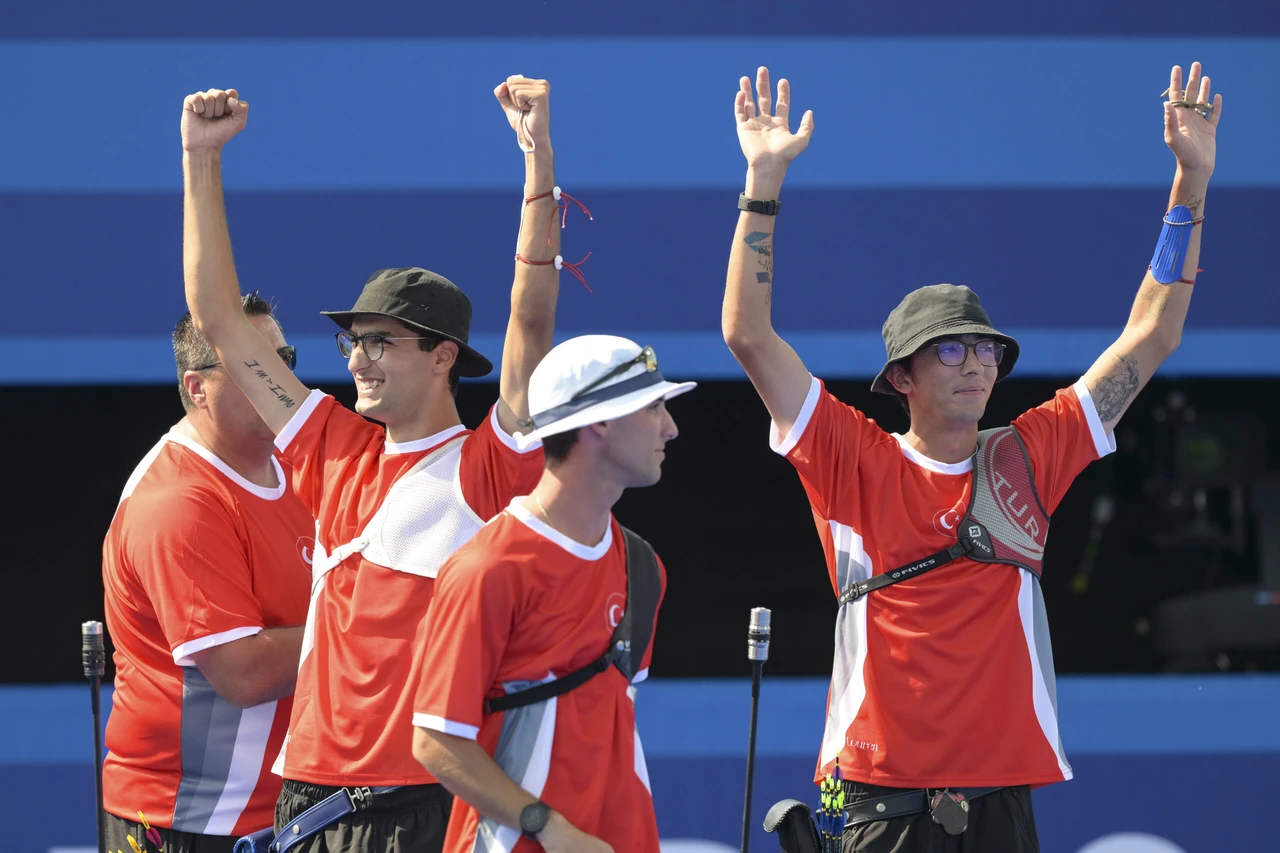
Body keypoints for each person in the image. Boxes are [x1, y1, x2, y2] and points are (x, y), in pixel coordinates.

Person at [721, 63, 1222, 852]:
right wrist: (762, 182)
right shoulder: (852, 457)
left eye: (987, 350)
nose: (976, 364)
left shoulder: (1032, 453)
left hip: (1002, 799)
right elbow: (748, 337)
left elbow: (1152, 336)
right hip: (881, 802)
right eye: (949, 349)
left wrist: (1189, 185)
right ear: (902, 379)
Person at [181, 76, 569, 851]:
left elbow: (530, 318)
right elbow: (218, 318)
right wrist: (200, 159)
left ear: (443, 357)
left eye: (381, 342)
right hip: (306, 803)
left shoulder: (490, 464)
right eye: (353, 342)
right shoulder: (331, 444)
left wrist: (538, 163)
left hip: (424, 803)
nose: (358, 360)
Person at [411, 335, 694, 853]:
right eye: (653, 407)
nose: (670, 428)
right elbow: (436, 740)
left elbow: (610, 729)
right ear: (600, 422)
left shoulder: (643, 566)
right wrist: (547, 826)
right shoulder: (488, 567)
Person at [101, 295, 313, 853]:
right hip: (188, 827)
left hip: (289, 813)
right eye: (253, 365)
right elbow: (242, 675)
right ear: (197, 389)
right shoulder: (179, 502)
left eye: (284, 358)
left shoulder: (301, 462)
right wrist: (376, 623)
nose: (281, 379)